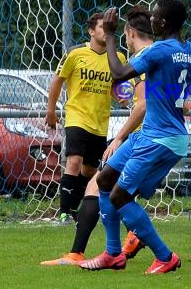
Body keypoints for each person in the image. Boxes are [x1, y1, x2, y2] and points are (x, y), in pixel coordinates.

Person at [78, 0, 191, 275]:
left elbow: (117, 73)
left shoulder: (158, 51)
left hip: (158, 139)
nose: (151, 20)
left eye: (154, 16)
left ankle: (165, 257)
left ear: (163, 23)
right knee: (104, 179)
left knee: (120, 196)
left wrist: (112, 35)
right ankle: (113, 254)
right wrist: (177, 85)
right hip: (154, 134)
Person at [41, 6, 153, 266]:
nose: (117, 36)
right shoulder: (174, 54)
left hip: (130, 134)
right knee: (92, 176)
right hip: (83, 119)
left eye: (121, 32)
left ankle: (115, 246)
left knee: (101, 183)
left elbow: (140, 102)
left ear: (131, 33)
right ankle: (70, 215)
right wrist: (51, 110)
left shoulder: (138, 59)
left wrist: (120, 134)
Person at [45, 13, 126, 226]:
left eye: (109, 28)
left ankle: (73, 210)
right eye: (101, 27)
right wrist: (51, 111)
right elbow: (57, 82)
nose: (106, 30)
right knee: (74, 162)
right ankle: (63, 213)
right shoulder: (74, 53)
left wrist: (123, 98)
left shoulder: (117, 57)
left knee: (89, 171)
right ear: (91, 31)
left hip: (100, 122)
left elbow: (114, 88)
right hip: (76, 117)